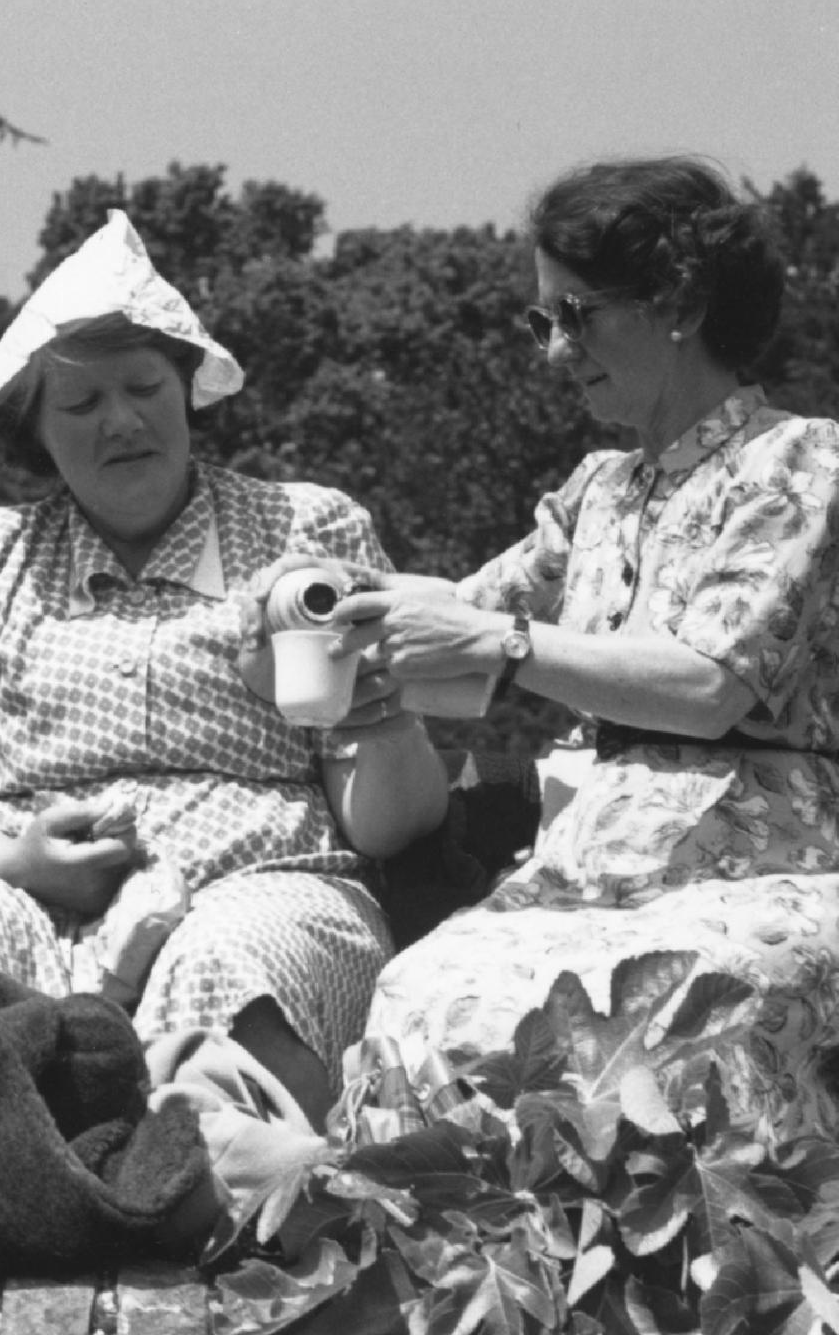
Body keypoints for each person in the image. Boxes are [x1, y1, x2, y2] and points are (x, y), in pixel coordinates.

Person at [0, 210, 449, 1130]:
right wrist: (16, 863)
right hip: (33, 909)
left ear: (187, 387)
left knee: (230, 962)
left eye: (145, 385)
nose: (123, 421)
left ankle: (176, 1185)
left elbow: (389, 827)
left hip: (262, 888)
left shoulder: (306, 534)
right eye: (80, 405)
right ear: (36, 429)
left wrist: (369, 706)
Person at [332, 155, 839, 1140]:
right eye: (543, 321)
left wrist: (498, 639)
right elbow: (466, 620)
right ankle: (448, 1283)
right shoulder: (600, 491)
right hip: (593, 859)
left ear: (679, 301)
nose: (555, 350)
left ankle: (717, 1280)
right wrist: (345, 613)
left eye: (578, 316)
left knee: (687, 1007)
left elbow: (708, 686)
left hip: (771, 857)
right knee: (422, 996)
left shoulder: (802, 464)